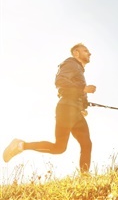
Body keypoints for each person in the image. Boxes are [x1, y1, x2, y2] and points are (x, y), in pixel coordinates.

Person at [3, 43, 96, 173]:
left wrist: (83, 106)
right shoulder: (71, 64)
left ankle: (85, 177)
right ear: (76, 53)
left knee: (86, 144)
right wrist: (83, 89)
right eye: (85, 51)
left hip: (75, 111)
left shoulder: (79, 69)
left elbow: (76, 92)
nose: (89, 53)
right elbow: (60, 82)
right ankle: (20, 145)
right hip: (66, 109)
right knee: (59, 148)